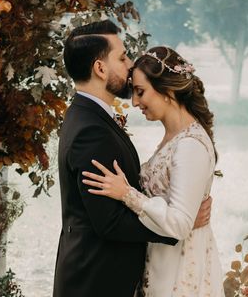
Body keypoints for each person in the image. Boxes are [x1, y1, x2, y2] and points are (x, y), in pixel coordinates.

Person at [53, 21, 211, 297]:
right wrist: (177, 225)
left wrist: (172, 216)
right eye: (122, 57)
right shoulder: (91, 131)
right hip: (97, 281)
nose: (129, 65)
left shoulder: (87, 116)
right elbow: (109, 222)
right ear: (100, 69)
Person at [82, 46, 224, 296]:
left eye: (140, 92)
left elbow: (179, 224)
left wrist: (127, 194)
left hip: (178, 270)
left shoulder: (190, 145)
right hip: (159, 261)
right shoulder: (174, 138)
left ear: (167, 90)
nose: (135, 102)